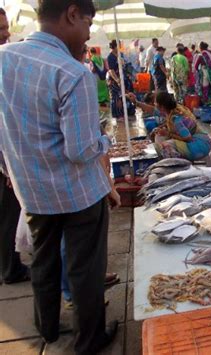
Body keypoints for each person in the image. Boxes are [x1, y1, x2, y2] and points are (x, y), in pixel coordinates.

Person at [0, 1, 121, 353]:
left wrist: (10, 170)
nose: (88, 33)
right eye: (87, 22)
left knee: (44, 260)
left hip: (32, 191)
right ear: (71, 14)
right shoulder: (73, 73)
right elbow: (80, 150)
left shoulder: (4, 59)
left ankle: (49, 329)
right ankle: (89, 340)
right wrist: (106, 139)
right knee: (85, 269)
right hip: (78, 194)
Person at [0, 7, 30, 286]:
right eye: (0, 30)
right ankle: (9, 268)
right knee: (8, 217)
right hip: (5, 165)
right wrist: (8, 168)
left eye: (6, 27)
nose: (6, 34)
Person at [152, 92, 211, 161]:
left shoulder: (176, 119)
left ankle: (177, 164)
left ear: (162, 107)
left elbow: (188, 138)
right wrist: (162, 128)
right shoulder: (173, 109)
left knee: (165, 146)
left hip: (200, 145)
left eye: (155, 104)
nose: (155, 106)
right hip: (201, 142)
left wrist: (167, 133)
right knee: (159, 137)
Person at [107, 40, 134, 119]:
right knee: (117, 97)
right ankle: (118, 115)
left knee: (125, 95)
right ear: (114, 46)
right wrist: (117, 80)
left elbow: (124, 66)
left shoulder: (120, 54)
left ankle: (126, 111)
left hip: (123, 78)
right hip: (115, 80)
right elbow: (111, 70)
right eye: (118, 46)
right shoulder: (110, 57)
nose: (119, 47)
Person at [193, 41, 211, 106]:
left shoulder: (200, 55)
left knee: (205, 88)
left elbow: (195, 67)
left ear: (200, 48)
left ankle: (206, 102)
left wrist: (197, 74)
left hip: (205, 73)